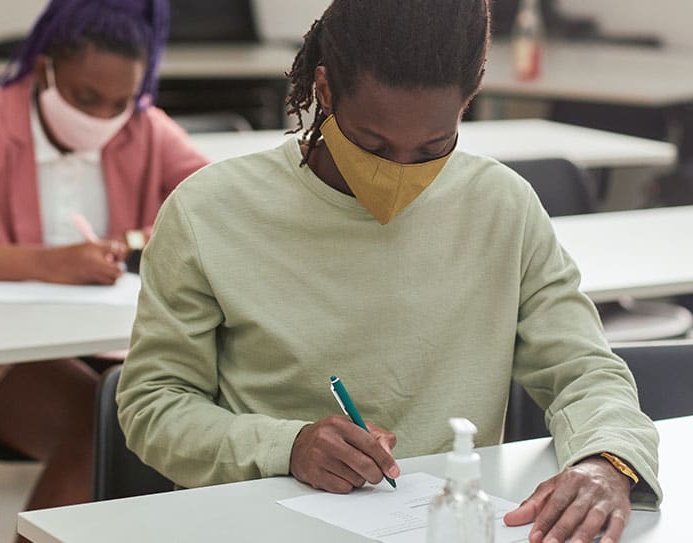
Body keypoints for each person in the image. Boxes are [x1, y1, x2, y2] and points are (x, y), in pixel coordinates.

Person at [116, 2, 661, 543]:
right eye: (372, 145)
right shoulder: (210, 210)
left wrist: (607, 460)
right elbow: (154, 404)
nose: (399, 173)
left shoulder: (501, 205)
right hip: (260, 525)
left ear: (466, 107)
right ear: (325, 92)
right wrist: (287, 446)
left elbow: (584, 370)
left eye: (433, 147)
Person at [0, 0, 208, 512]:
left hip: (109, 341)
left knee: (182, 418)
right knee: (102, 430)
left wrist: (128, 243)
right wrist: (45, 263)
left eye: (119, 102)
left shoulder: (143, 126)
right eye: (84, 97)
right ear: (44, 70)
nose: (103, 117)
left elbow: (216, 207)